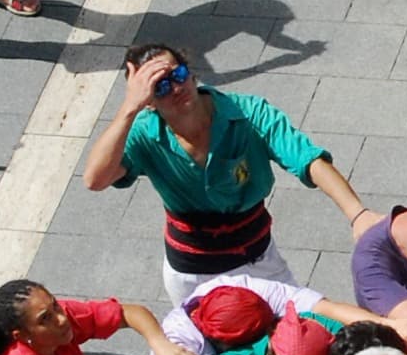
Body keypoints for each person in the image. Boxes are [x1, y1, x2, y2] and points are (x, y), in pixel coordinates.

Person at [83, 47, 369, 304]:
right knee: (209, 354)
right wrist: (128, 109)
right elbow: (95, 179)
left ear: (191, 73)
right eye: (159, 87)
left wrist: (357, 213)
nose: (175, 87)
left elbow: (307, 159)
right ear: (148, 102)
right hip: (192, 271)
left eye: (178, 74)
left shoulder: (248, 112)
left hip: (257, 256)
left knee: (295, 337)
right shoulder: (143, 132)